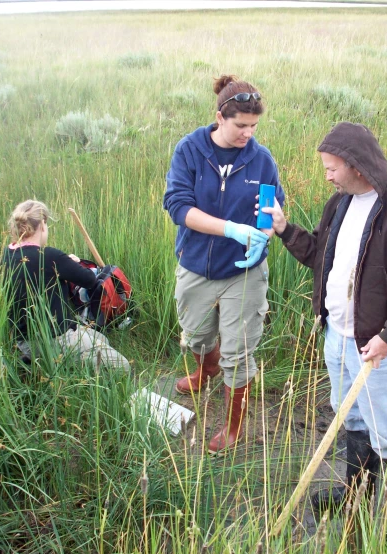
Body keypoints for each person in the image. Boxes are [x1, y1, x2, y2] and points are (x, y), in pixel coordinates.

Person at [261, 122, 387, 516]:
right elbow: (320, 257)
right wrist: (283, 229)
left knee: (385, 431)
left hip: (377, 347)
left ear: (356, 166)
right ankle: (355, 494)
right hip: (337, 337)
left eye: (331, 168)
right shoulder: (340, 203)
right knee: (352, 420)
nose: (326, 175)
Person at [163, 75, 285, 455]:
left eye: (254, 126)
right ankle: (205, 370)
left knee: (239, 353)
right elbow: (178, 207)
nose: (248, 133)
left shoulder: (260, 159)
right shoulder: (190, 151)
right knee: (195, 335)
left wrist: (264, 231)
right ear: (220, 117)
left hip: (244, 272)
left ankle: (232, 428)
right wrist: (231, 229)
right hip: (197, 263)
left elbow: (273, 207)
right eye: (240, 125)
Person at [1, 200, 130, 371]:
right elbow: (90, 281)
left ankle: (35, 362)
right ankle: (52, 365)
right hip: (56, 338)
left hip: (24, 340)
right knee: (122, 367)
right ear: (42, 225)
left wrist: (64, 264)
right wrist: (70, 262)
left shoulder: (6, 254)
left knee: (101, 339)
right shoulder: (50, 256)